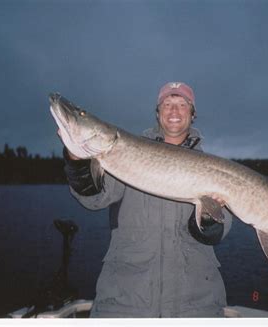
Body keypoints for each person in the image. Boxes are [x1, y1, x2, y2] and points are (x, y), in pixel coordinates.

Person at [59, 82, 233, 318]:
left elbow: (218, 234)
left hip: (195, 306)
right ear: (157, 113)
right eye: (167, 104)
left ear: (193, 115)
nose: (174, 111)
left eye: (182, 105)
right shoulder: (123, 153)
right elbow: (94, 199)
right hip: (124, 303)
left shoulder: (216, 168)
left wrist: (209, 218)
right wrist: (77, 161)